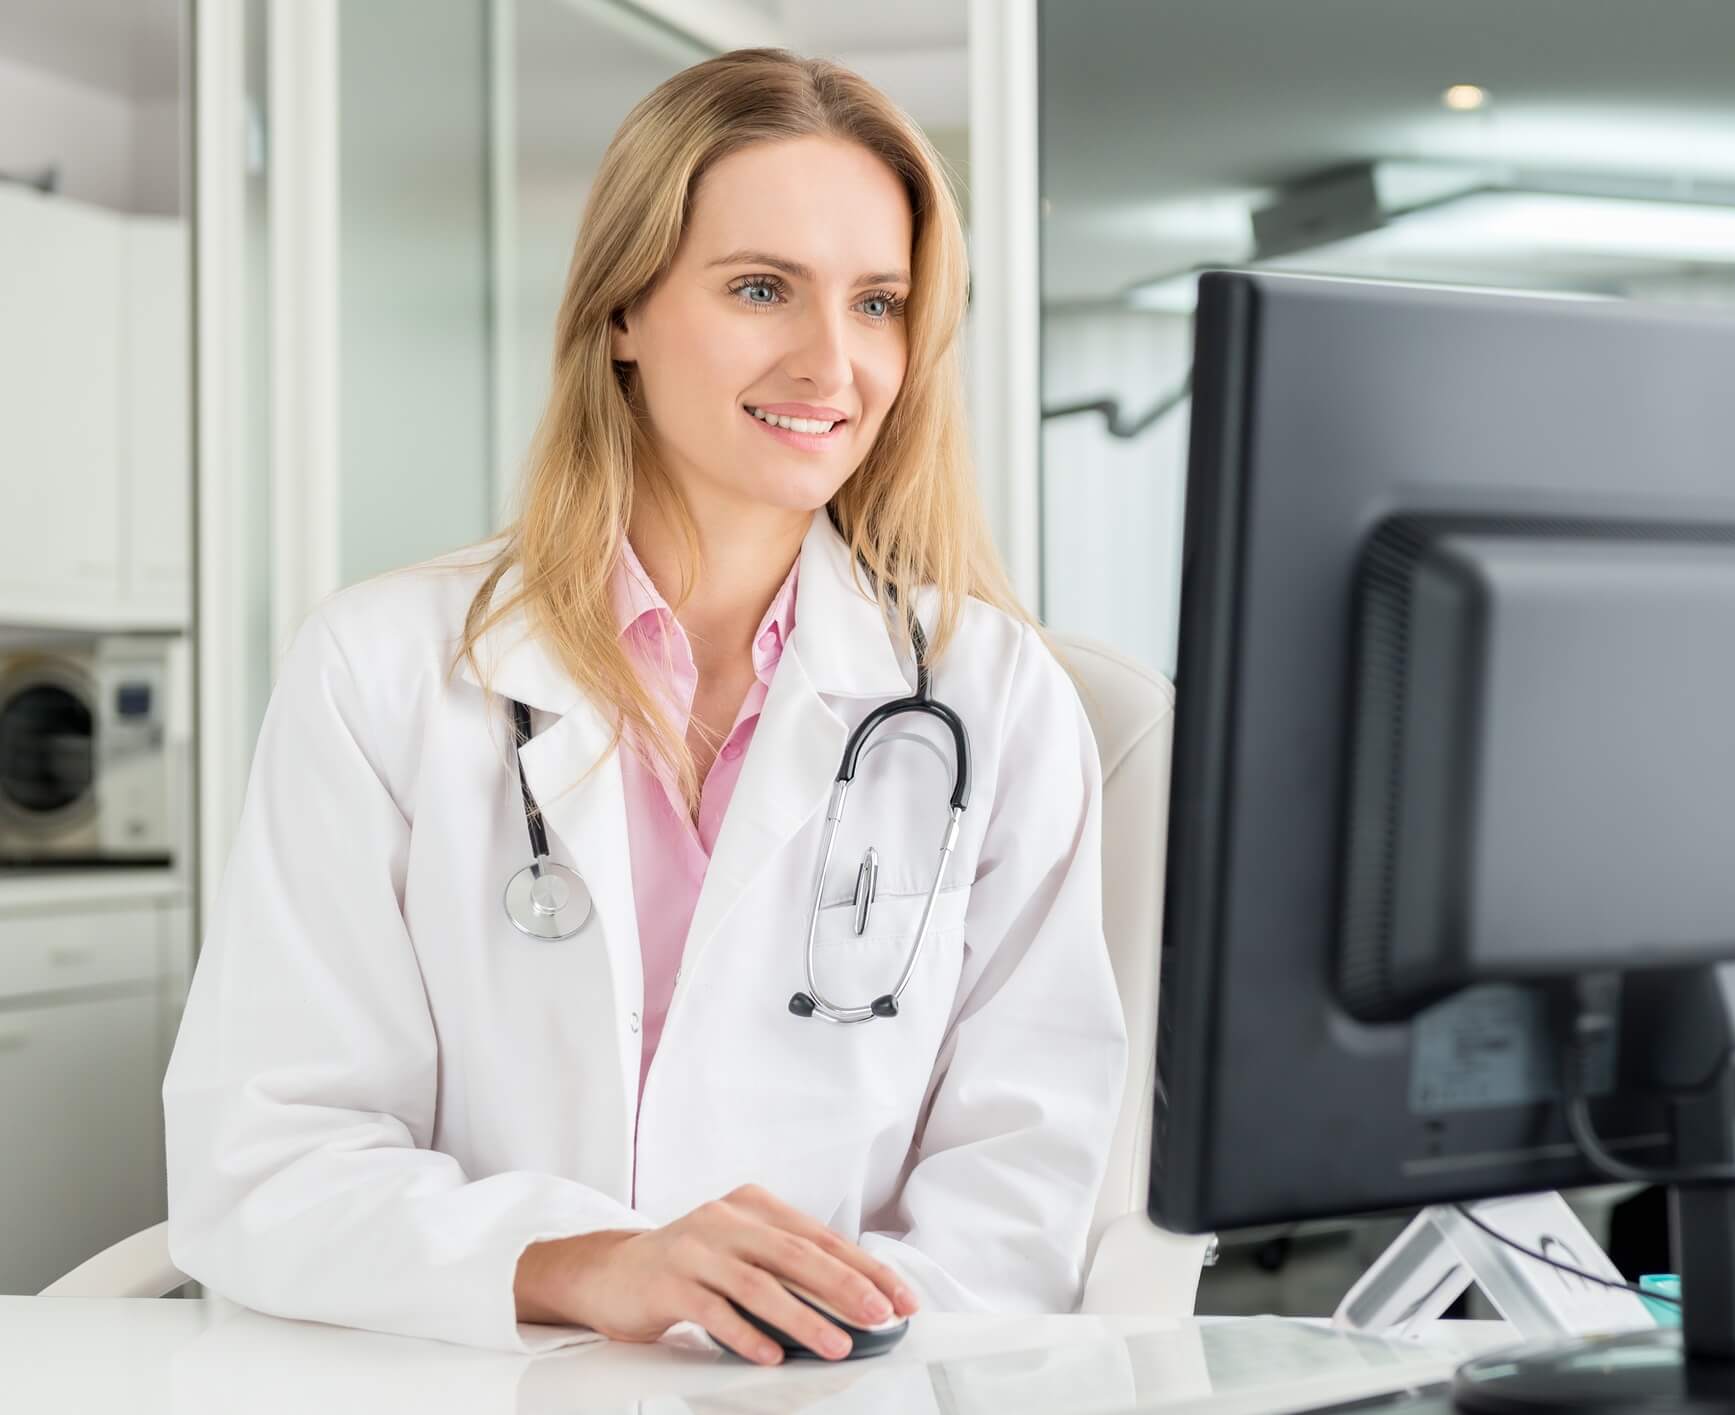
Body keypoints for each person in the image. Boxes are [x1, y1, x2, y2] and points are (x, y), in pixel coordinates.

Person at [162, 48, 1127, 1364]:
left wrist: (819, 1337)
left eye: (881, 304)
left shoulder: (992, 698)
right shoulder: (385, 670)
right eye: (760, 288)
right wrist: (597, 1269)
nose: (832, 363)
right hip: (464, 1381)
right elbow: (266, 1157)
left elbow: (1025, 1172)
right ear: (624, 310)